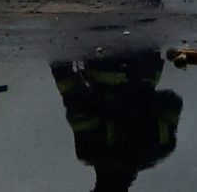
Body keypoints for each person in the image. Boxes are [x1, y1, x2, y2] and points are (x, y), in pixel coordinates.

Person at [51, 52, 182, 191]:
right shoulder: (91, 152)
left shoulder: (162, 148)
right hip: (103, 63)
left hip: (147, 64)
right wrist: (58, 65)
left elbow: (172, 101)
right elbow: (77, 104)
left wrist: (143, 101)